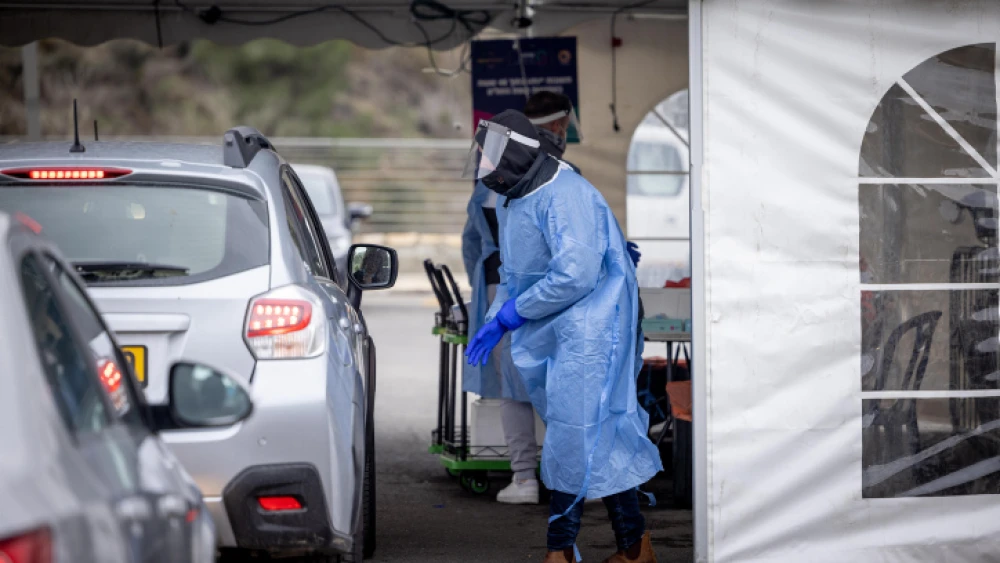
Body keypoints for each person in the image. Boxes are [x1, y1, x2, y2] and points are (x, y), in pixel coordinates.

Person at [464, 110, 661, 563]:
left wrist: (513, 313)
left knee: (575, 434)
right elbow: (515, 275)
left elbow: (575, 274)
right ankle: (634, 548)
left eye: (488, 154)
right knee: (598, 437)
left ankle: (560, 551)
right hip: (566, 327)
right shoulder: (517, 200)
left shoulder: (564, 193)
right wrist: (497, 316)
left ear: (513, 152)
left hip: (595, 327)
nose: (483, 163)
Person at [461, 145, 541, 505]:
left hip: (501, 289)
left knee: (514, 386)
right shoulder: (554, 183)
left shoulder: (488, 191)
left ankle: (525, 477)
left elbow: (472, 244)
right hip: (537, 293)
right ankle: (577, 479)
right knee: (555, 387)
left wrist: (486, 296)